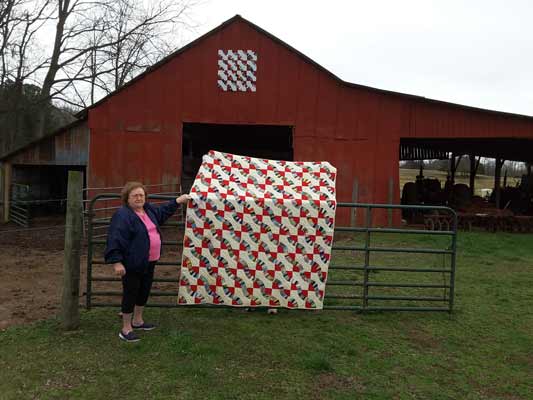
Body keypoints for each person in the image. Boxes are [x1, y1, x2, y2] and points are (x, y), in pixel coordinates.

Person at [105, 182, 190, 343]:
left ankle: (138, 321)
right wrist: (116, 262)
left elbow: (163, 211)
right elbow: (115, 238)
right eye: (135, 195)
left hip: (150, 261)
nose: (139, 198)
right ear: (127, 198)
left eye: (141, 195)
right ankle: (126, 328)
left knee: (144, 290)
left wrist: (178, 201)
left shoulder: (149, 210)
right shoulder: (123, 215)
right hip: (132, 262)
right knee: (131, 292)